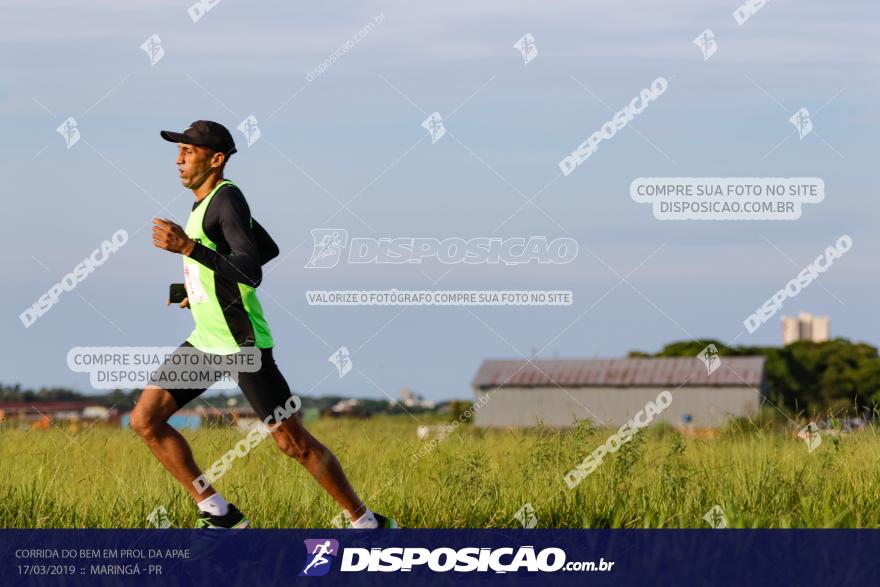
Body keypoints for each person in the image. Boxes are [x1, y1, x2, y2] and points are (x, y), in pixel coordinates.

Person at [130, 120, 397, 530]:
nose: (179, 159)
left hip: (242, 345)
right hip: (207, 341)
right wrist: (201, 289)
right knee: (146, 420)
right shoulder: (205, 204)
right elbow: (263, 249)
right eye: (178, 150)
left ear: (216, 159)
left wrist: (188, 247)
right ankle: (217, 511)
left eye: (188, 151)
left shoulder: (226, 199)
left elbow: (251, 270)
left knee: (293, 444)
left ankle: (366, 523)